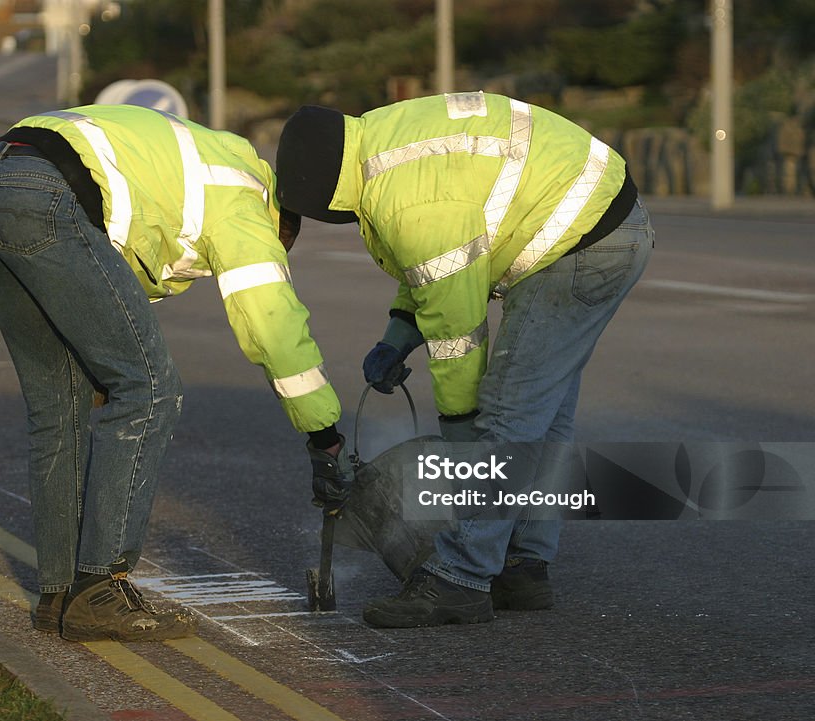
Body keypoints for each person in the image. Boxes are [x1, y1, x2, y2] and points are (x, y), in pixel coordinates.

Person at [0, 104, 351, 642]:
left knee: (58, 405)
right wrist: (323, 433)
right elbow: (272, 325)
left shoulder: (209, 163)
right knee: (150, 391)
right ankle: (101, 585)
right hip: (47, 196)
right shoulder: (245, 208)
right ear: (279, 223)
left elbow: (116, 269)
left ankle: (60, 593)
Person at [275, 91, 653, 628]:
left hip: (582, 241)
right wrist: (398, 336)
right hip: (596, 223)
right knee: (543, 416)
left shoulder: (405, 200)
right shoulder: (379, 149)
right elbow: (434, 272)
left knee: (504, 415)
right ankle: (523, 566)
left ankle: (461, 577)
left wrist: (462, 434)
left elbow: (457, 331)